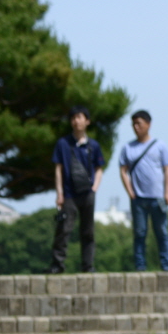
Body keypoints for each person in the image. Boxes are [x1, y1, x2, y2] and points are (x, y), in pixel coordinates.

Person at [48, 106, 105, 274]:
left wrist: (94, 188)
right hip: (68, 194)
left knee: (88, 232)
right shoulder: (63, 144)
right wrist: (59, 194)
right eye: (73, 118)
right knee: (63, 230)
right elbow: (58, 168)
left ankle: (88, 266)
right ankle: (57, 265)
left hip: (88, 194)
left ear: (87, 121)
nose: (76, 121)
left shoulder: (93, 145)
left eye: (80, 117)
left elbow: (99, 168)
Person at [118, 109, 168, 271]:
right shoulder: (127, 148)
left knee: (162, 233)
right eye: (133, 124)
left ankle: (166, 265)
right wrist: (130, 192)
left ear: (148, 124)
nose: (136, 127)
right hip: (138, 199)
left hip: (158, 198)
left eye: (139, 123)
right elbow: (123, 170)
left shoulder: (160, 146)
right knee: (140, 234)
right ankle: (140, 267)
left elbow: (167, 170)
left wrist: (167, 193)